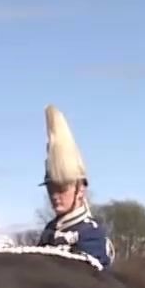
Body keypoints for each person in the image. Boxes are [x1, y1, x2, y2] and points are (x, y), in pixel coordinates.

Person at [36, 105, 113, 267]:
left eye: (62, 189)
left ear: (81, 190)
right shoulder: (49, 231)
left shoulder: (90, 233)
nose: (55, 196)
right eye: (51, 189)